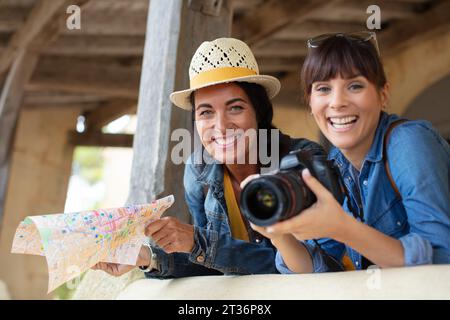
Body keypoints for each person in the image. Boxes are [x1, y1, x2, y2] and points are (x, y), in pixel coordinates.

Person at [93, 37, 325, 278]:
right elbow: (208, 263)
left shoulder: (303, 162)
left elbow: (302, 267)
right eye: (206, 112)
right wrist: (146, 257)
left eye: (235, 107)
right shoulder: (198, 171)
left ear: (259, 112)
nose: (221, 126)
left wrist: (198, 241)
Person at [248, 31, 450, 274]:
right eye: (323, 89)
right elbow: (314, 269)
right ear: (310, 103)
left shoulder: (408, 143)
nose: (337, 102)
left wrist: (342, 228)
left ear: (383, 95)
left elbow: (441, 260)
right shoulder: (333, 164)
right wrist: (277, 232)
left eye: (354, 86)